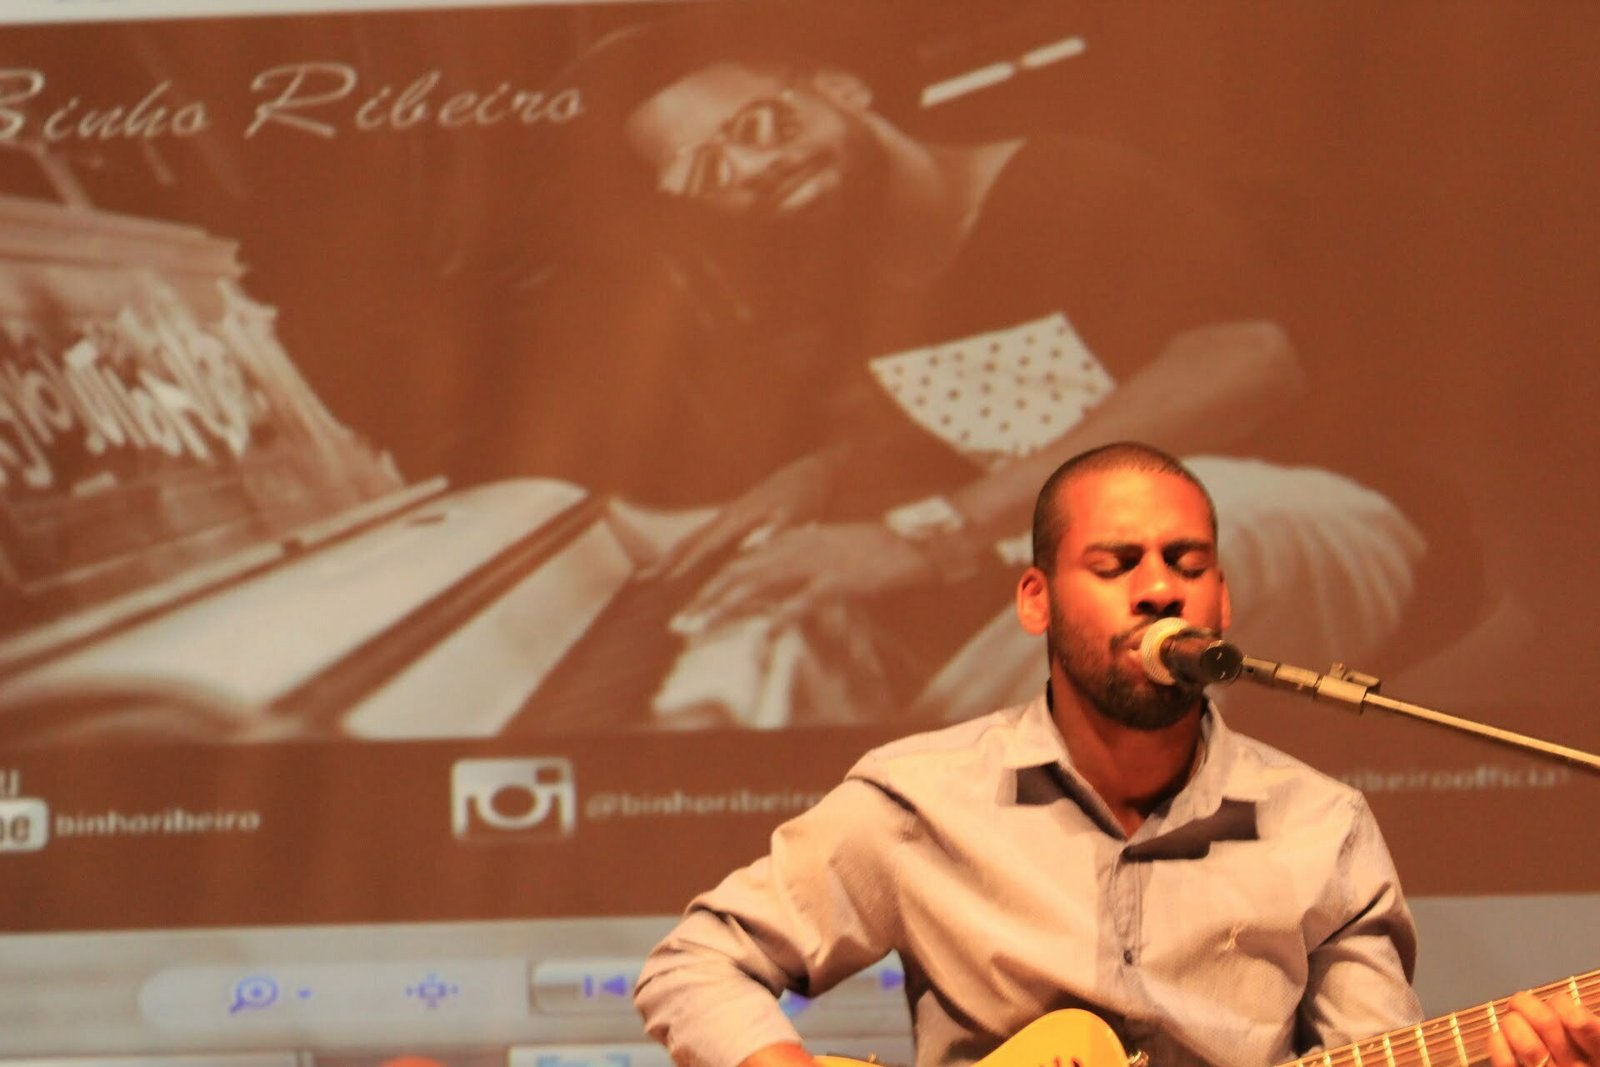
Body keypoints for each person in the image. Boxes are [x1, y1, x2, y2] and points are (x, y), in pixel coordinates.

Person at [558, 11, 1438, 728]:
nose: (754, 166)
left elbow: (1249, 362)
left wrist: (927, 537)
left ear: (840, 90)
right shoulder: (855, 296)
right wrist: (817, 475)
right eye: (708, 168)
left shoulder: (1065, 185)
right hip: (1106, 567)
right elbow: (988, 412)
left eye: (761, 124)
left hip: (1315, 513)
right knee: (816, 655)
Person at [633, 442, 1598, 1067]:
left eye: (1187, 564)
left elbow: (1378, 1047)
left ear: (1222, 602)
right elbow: (694, 963)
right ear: (1036, 601)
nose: (1158, 590)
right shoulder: (921, 797)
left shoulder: (1322, 824)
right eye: (1116, 564)